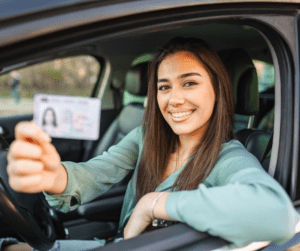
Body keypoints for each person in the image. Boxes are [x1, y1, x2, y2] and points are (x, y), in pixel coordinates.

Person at [2, 37, 300, 251]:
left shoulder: (228, 156)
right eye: (163, 87)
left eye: (190, 83)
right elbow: (97, 172)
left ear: (218, 90)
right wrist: (53, 177)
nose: (174, 99)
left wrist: (152, 204)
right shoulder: (147, 136)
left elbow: (277, 216)